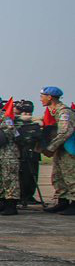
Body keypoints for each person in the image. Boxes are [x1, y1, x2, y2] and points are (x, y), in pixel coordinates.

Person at [40, 86, 75, 214]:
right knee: (58, 175)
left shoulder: (64, 112)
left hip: (69, 149)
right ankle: (63, 201)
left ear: (50, 97)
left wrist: (50, 148)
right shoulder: (54, 111)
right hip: (61, 149)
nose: (40, 99)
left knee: (70, 175)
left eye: (42, 96)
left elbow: (65, 132)